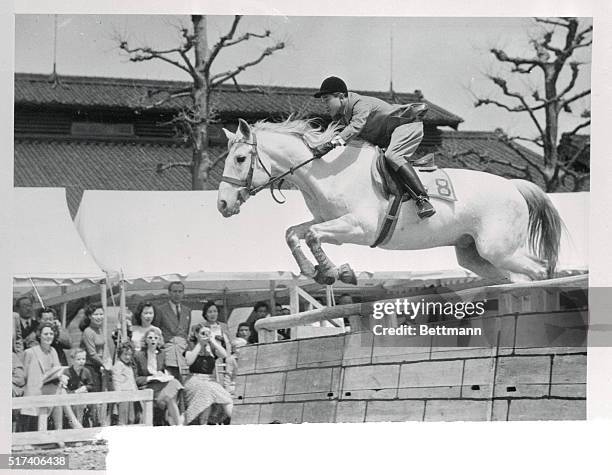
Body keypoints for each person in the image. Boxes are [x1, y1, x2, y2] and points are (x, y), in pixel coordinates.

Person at [312, 76, 435, 219]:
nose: (324, 105)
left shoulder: (359, 104)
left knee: (393, 156)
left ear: (340, 96)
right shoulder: (343, 117)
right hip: (389, 138)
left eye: (326, 100)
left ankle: (422, 199)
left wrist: (330, 144)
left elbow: (356, 126)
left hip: (406, 126)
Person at [21, 322, 81, 431]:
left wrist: (62, 377)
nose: (49, 336)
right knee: (60, 392)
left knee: (59, 390)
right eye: (46, 334)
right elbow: (23, 376)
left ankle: (62, 431)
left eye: (51, 334)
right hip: (35, 391)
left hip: (49, 389)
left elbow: (57, 370)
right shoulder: (30, 352)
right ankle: (73, 425)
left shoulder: (53, 351)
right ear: (39, 335)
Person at [183, 324, 233, 425]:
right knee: (207, 389)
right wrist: (199, 344)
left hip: (210, 380)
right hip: (194, 380)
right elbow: (189, 361)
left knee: (225, 397)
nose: (206, 335)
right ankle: (203, 423)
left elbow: (224, 355)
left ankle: (237, 421)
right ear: (196, 334)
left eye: (208, 333)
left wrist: (213, 341)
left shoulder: (211, 348)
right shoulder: (191, 346)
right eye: (203, 333)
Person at [133, 328, 183, 426]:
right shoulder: (139, 355)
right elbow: (136, 379)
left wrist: (163, 374)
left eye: (156, 338)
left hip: (160, 384)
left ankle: (177, 424)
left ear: (159, 340)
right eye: (150, 338)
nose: (153, 340)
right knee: (170, 398)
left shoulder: (162, 354)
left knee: (175, 383)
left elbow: (165, 370)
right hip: (148, 386)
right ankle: (174, 420)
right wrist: (149, 378)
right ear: (145, 340)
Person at [80, 303, 113, 426]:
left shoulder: (100, 329)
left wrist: (108, 361)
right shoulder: (88, 332)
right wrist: (105, 365)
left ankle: (100, 423)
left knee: (101, 396)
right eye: (96, 314)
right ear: (89, 316)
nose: (99, 317)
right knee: (94, 397)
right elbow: (92, 353)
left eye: (101, 314)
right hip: (90, 367)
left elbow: (105, 348)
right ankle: (91, 425)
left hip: (100, 366)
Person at [153, 282, 191, 382]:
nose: (177, 294)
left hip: (182, 350)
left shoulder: (187, 310)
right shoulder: (160, 309)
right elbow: (156, 330)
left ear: (183, 293)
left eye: (180, 291)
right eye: (174, 291)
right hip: (168, 350)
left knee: (184, 381)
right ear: (169, 293)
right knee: (171, 380)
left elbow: (186, 332)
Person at [201, 301, 236, 390]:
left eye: (215, 311)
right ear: (205, 314)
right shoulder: (201, 327)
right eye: (210, 312)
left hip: (224, 355)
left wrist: (223, 340)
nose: (213, 314)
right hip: (209, 357)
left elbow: (230, 342)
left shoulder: (223, 326)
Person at [64, 348, 93, 426]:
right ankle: (77, 425)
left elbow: (91, 385)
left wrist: (86, 387)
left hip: (84, 397)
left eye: (83, 359)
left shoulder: (86, 371)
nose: (81, 361)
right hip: (71, 399)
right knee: (77, 406)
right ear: (72, 360)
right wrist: (76, 392)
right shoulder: (67, 372)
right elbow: (64, 390)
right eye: (78, 359)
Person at [112, 342, 139, 425]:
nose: (127, 357)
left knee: (131, 418)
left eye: (130, 355)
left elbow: (132, 381)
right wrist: (118, 396)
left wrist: (136, 392)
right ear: (120, 354)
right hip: (123, 395)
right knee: (122, 419)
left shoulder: (129, 365)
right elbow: (116, 380)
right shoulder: (118, 365)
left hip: (131, 395)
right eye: (125, 354)